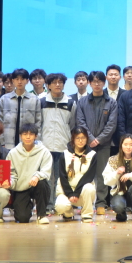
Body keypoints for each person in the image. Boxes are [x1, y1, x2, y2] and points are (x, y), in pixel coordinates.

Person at [75, 70, 118, 214]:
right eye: (94, 81)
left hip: (104, 144)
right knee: (84, 173)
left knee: (102, 174)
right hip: (85, 145)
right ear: (89, 83)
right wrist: (90, 139)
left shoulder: (111, 102)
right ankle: (84, 203)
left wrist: (98, 140)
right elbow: (80, 121)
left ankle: (101, 203)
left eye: (99, 81)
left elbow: (111, 125)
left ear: (104, 83)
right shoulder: (82, 102)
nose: (97, 84)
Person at [40, 73, 77, 215]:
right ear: (48, 85)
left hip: (63, 146)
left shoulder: (71, 103)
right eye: (54, 82)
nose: (57, 85)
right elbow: (39, 123)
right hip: (45, 146)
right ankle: (48, 205)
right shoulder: (41, 101)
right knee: (47, 177)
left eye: (60, 82)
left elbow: (72, 125)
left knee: (62, 178)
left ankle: (60, 204)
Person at [9, 123, 52, 224]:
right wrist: (10, 183)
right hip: (21, 187)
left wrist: (37, 176)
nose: (28, 137)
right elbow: (11, 173)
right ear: (20, 136)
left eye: (31, 134)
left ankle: (41, 215)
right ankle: (28, 206)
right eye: (25, 134)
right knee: (22, 218)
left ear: (35, 136)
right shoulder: (13, 153)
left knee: (42, 183)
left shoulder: (44, 151)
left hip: (36, 184)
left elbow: (46, 171)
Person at [54, 126, 97, 222]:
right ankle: (68, 213)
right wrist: (70, 194)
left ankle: (87, 214)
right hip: (67, 192)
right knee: (60, 206)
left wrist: (76, 193)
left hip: (83, 193)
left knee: (89, 187)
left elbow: (89, 176)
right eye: (78, 138)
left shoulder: (92, 155)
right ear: (73, 139)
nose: (80, 141)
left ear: (87, 138)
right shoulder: (64, 154)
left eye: (83, 138)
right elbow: (62, 176)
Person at [104, 134, 132, 222]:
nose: (128, 147)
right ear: (121, 145)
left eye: (131, 144)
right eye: (125, 144)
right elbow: (106, 181)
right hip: (118, 193)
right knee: (118, 206)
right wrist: (116, 173)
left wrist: (131, 175)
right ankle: (121, 213)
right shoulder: (113, 160)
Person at [0, 68, 44, 149]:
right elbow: (0, 122)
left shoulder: (34, 99)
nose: (19, 82)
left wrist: (36, 141)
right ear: (13, 80)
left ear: (27, 81)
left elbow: (38, 122)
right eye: (17, 79)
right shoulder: (4, 99)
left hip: (28, 143)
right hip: (8, 143)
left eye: (22, 79)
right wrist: (2, 142)